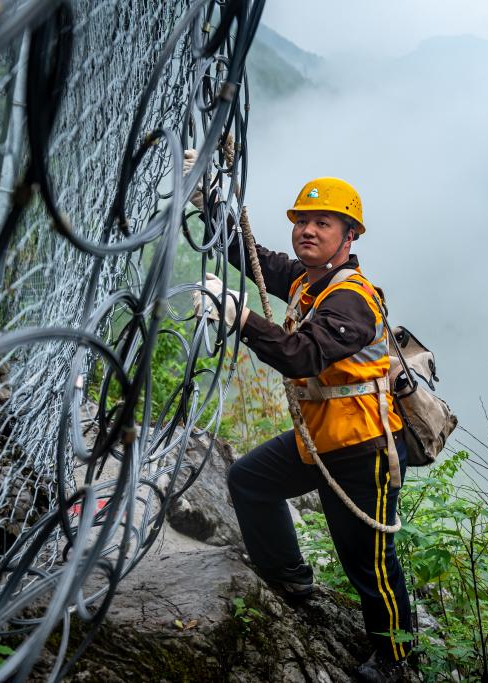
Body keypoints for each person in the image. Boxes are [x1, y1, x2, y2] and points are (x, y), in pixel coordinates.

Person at [187, 162, 412, 682]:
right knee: (248, 481)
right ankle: (290, 579)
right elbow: (254, 258)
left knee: (369, 563)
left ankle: (396, 660)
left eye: (323, 223)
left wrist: (241, 318)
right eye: (302, 221)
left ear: (349, 235)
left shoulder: (352, 299)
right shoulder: (309, 283)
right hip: (322, 440)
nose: (307, 231)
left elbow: (302, 355)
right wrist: (209, 205)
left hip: (363, 448)